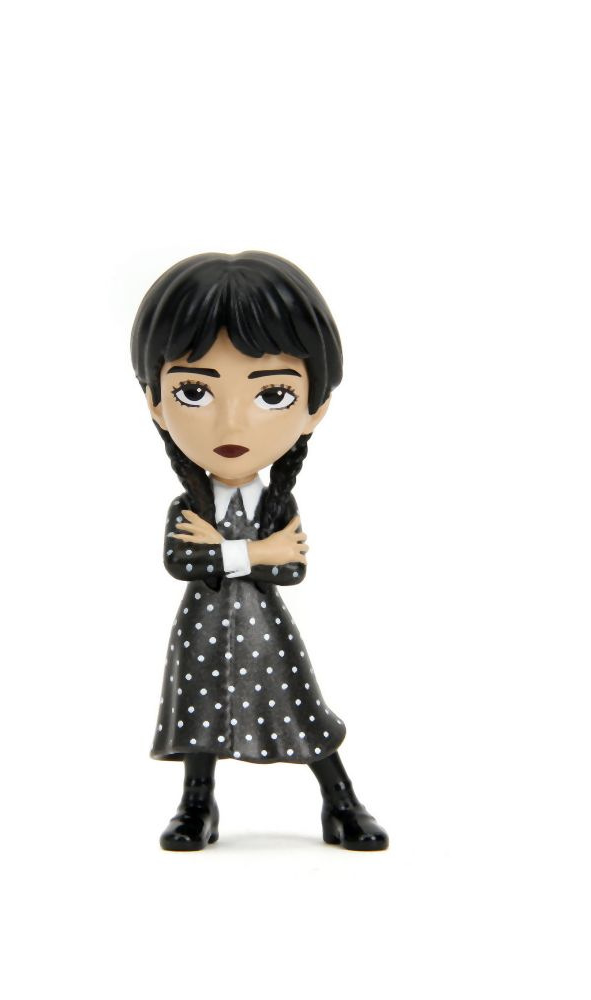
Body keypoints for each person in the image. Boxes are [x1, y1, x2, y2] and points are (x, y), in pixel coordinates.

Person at [130, 251, 388, 851]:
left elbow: (290, 565)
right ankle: (197, 803)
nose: (232, 424)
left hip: (266, 628)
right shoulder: (189, 508)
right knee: (197, 713)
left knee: (302, 706)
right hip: (202, 627)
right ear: (156, 402)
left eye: (271, 393)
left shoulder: (277, 504)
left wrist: (231, 552)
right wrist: (255, 552)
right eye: (195, 390)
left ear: (315, 408)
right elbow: (183, 562)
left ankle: (340, 799)